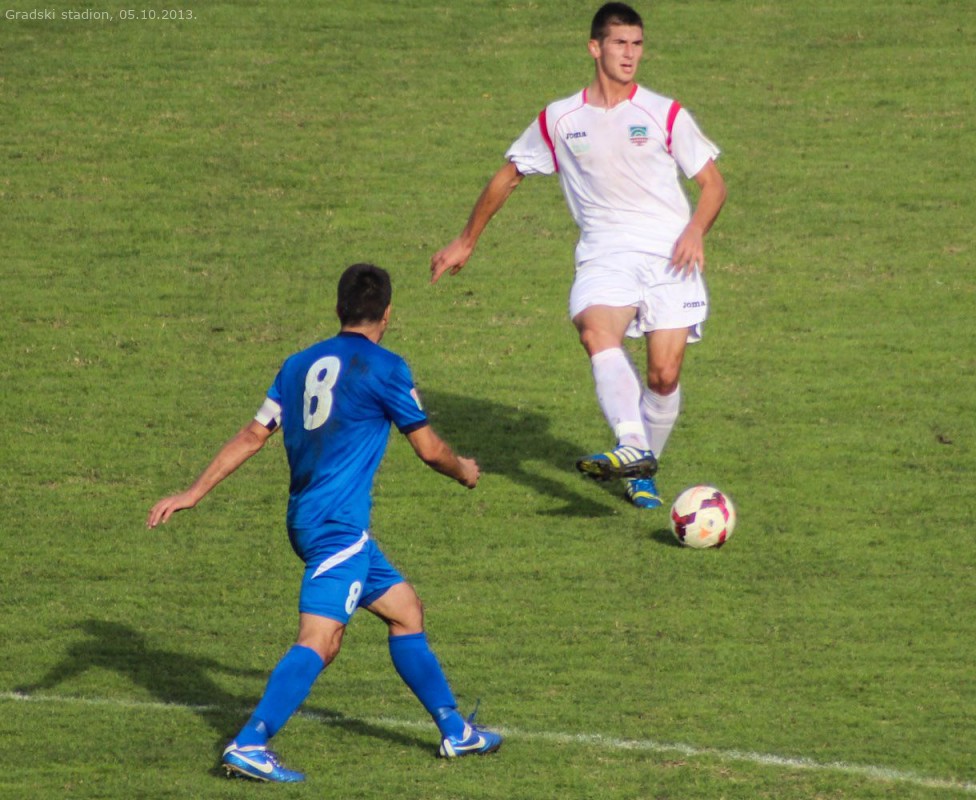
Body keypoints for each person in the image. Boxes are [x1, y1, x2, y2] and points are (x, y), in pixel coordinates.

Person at [146, 263, 502, 782]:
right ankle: (250, 742)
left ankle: (455, 730)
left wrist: (192, 492)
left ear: (339, 309)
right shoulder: (386, 368)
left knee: (406, 610)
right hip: (338, 528)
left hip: (311, 521)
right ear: (387, 313)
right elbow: (429, 450)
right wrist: (464, 470)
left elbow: (253, 434)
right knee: (320, 638)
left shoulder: (296, 365)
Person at [430, 2, 727, 510]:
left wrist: (696, 230)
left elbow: (713, 184)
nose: (630, 54)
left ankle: (641, 469)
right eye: (620, 43)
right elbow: (509, 176)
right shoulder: (561, 119)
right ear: (595, 47)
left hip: (669, 255)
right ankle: (632, 443)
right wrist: (466, 239)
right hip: (604, 252)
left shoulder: (664, 113)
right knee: (595, 331)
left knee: (663, 375)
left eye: (637, 44)